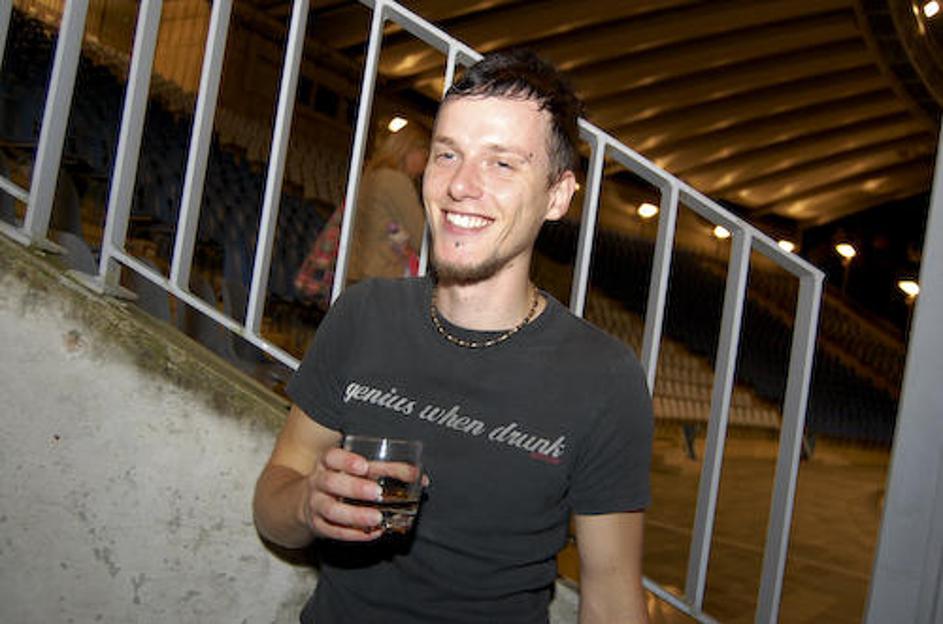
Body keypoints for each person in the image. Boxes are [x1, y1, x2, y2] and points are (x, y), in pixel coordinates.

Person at [254, 49, 654, 624]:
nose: (461, 185)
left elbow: (612, 599)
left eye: (502, 163)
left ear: (558, 196)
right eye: (448, 154)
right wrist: (306, 503)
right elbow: (272, 504)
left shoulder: (604, 378)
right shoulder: (363, 314)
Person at [346, 123, 429, 282]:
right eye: (425, 158)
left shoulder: (372, 175)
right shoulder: (397, 182)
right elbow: (420, 239)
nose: (424, 167)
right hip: (382, 273)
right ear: (411, 150)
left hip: (356, 269)